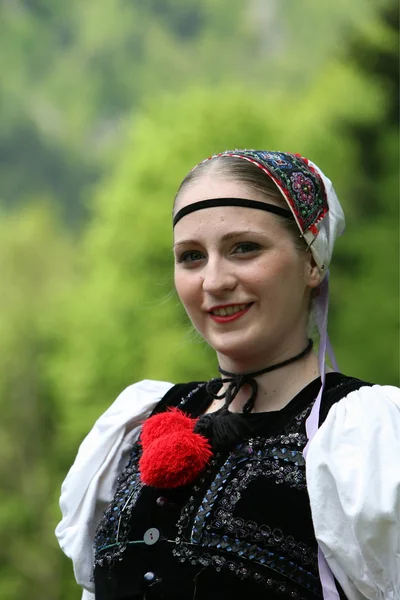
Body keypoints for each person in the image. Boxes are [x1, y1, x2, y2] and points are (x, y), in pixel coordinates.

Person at [55, 150, 400, 600]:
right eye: (191, 256)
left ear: (312, 261)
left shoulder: (364, 436)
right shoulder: (133, 424)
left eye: (245, 248)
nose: (214, 281)